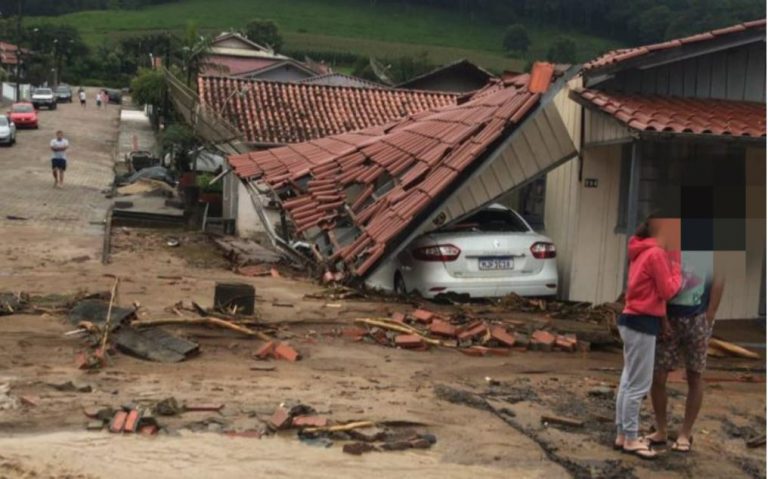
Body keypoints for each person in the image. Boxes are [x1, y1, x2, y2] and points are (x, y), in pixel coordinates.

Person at [614, 214, 682, 459]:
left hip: (631, 319)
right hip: (642, 322)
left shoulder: (640, 250)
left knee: (627, 381)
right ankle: (631, 439)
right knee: (639, 385)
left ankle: (623, 434)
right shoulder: (656, 254)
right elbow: (668, 290)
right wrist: (677, 271)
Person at [645, 252, 724, 453]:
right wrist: (661, 317)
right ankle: (661, 429)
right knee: (658, 375)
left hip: (697, 319)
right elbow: (657, 281)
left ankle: (685, 433)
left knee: (695, 375)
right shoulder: (669, 245)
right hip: (668, 319)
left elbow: (719, 277)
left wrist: (710, 315)